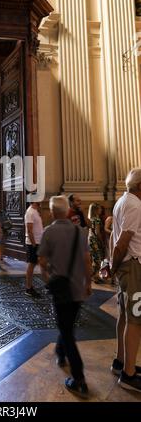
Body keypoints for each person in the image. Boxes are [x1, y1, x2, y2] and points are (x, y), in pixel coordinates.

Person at [38, 196, 92, 399]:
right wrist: (88, 283)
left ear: (52, 212)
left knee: (67, 331)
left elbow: (41, 261)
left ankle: (79, 379)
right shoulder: (80, 232)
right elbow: (87, 261)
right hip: (77, 288)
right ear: (69, 211)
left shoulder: (49, 232)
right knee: (67, 325)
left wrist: (48, 278)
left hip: (60, 289)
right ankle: (61, 353)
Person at [111, 168, 141, 392]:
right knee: (135, 320)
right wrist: (112, 267)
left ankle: (120, 361)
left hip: (126, 266)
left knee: (124, 314)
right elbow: (122, 242)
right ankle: (129, 374)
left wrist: (114, 266)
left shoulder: (122, 201)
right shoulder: (135, 205)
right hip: (133, 267)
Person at [24, 193, 44, 297]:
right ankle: (28, 288)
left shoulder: (36, 211)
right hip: (33, 243)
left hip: (39, 241)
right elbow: (29, 229)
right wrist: (33, 244)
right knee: (31, 265)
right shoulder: (30, 212)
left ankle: (48, 284)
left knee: (43, 263)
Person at [88, 203, 105, 283]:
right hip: (95, 240)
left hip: (90, 239)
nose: (101, 210)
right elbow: (97, 232)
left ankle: (95, 275)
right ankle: (94, 276)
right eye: (99, 209)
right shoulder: (97, 219)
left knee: (94, 258)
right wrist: (101, 241)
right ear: (96, 210)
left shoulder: (91, 219)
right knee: (98, 258)